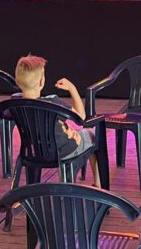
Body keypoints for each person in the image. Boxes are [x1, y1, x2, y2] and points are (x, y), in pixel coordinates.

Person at [14, 54, 98, 184]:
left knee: (71, 132)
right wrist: (72, 88)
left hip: (33, 151)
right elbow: (81, 117)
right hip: (62, 152)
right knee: (92, 135)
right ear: (41, 82)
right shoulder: (52, 103)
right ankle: (98, 184)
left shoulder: (15, 103)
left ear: (17, 81)